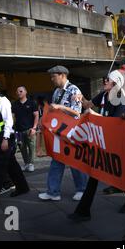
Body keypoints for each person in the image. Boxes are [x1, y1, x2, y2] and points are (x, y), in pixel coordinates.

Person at [68, 70, 125, 222]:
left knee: (124, 173)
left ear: (115, 82)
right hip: (103, 141)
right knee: (95, 174)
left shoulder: (121, 98)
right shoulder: (102, 95)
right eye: (105, 79)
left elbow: (115, 123)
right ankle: (83, 211)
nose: (104, 81)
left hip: (118, 143)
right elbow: (88, 104)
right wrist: (80, 98)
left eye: (107, 79)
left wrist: (93, 116)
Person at [38, 66, 87, 201]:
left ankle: (82, 189)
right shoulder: (57, 91)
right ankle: (53, 192)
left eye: (53, 76)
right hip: (59, 132)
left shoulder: (74, 90)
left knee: (75, 161)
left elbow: (77, 112)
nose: (52, 79)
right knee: (56, 160)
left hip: (72, 131)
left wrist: (60, 107)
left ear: (62, 75)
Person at [12, 86, 39, 172]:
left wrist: (34, 128)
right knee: (22, 148)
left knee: (31, 147)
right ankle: (26, 163)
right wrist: (13, 128)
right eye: (17, 92)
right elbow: (12, 117)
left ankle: (31, 164)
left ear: (25, 92)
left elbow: (36, 115)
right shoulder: (14, 104)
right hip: (19, 130)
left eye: (20, 91)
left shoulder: (32, 103)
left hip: (29, 129)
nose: (18, 93)